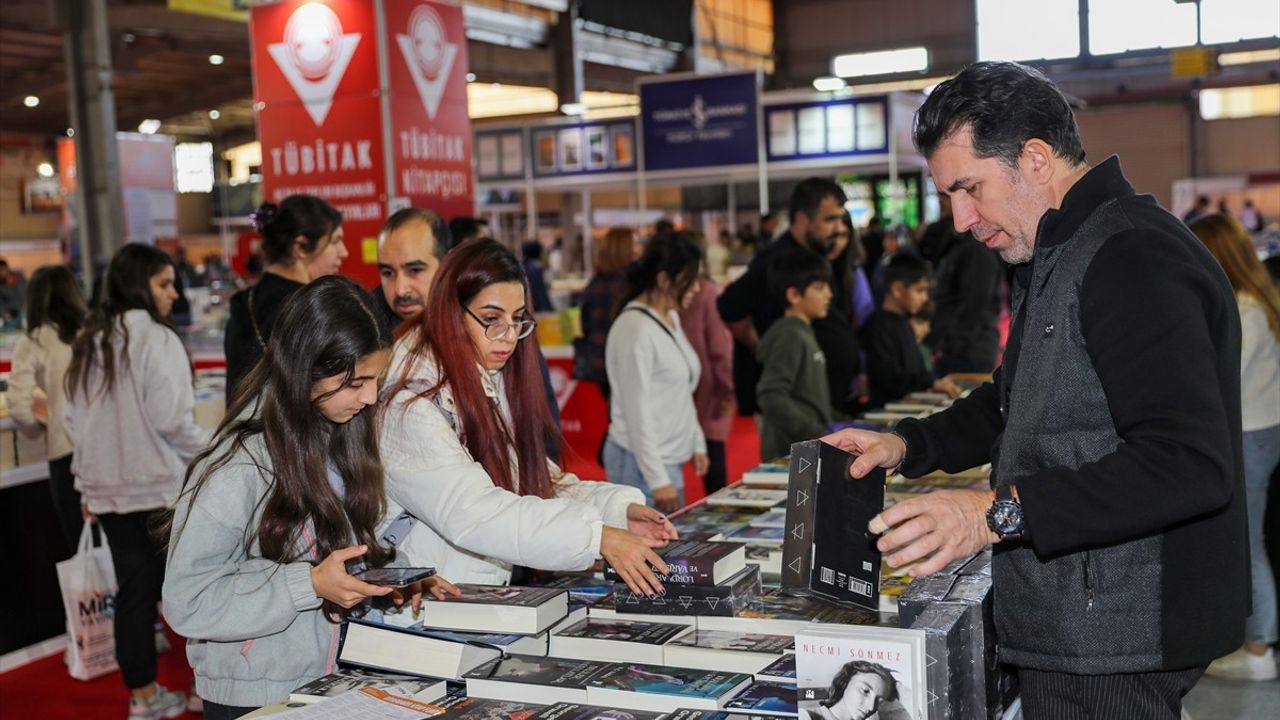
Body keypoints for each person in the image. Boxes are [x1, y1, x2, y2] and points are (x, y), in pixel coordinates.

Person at [827, 61, 1245, 719]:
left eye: (971, 188)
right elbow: (1014, 400)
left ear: (1037, 159)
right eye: (948, 197)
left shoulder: (1130, 258)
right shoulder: (1061, 249)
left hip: (1115, 637)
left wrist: (992, 512)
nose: (961, 219)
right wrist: (907, 445)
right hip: (1081, 621)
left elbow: (1188, 464)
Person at [163, 277, 457, 718]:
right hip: (251, 696)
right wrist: (309, 584)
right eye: (356, 382)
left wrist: (394, 574)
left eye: (374, 379)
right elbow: (188, 600)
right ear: (307, 368)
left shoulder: (336, 436)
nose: (371, 396)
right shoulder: (238, 465)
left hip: (327, 681)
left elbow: (334, 553)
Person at [379, 238, 678, 598]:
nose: (509, 336)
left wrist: (614, 512)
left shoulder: (481, 374)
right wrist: (596, 536)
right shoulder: (411, 401)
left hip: (467, 598)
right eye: (491, 319)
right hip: (424, 614)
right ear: (451, 313)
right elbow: (475, 512)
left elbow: (529, 477)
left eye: (518, 320)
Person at [65, 243, 211, 719]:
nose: (173, 293)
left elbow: (73, 420)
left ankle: (143, 697)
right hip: (158, 490)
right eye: (164, 283)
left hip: (109, 491)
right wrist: (216, 451)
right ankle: (205, 686)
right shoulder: (154, 339)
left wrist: (87, 485)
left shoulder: (90, 342)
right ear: (138, 286)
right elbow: (172, 420)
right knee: (192, 591)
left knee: (134, 593)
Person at [1189, 213, 1280, 681]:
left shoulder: (1243, 308)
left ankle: (1260, 649)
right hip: (1261, 433)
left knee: (1250, 543)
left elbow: (1222, 379)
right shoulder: (1259, 299)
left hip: (1250, 436)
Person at [717, 178, 851, 419]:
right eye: (830, 219)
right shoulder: (775, 260)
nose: (839, 228)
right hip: (796, 410)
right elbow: (729, 306)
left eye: (841, 219)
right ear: (802, 219)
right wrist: (764, 350)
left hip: (824, 401)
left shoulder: (817, 254)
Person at [604, 233, 709, 512]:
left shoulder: (670, 318)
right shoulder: (635, 330)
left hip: (664, 461)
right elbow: (636, 413)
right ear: (664, 280)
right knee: (647, 554)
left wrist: (696, 441)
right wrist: (658, 479)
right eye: (691, 279)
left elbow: (681, 390)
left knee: (669, 552)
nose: (697, 287)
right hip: (641, 466)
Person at [224, 195, 347, 398]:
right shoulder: (309, 309)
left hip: (245, 426)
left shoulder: (244, 302)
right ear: (300, 247)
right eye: (335, 242)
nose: (344, 252)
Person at [7, 265, 86, 554]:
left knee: (81, 548)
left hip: (64, 450)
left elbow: (18, 404)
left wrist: (37, 428)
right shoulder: (91, 332)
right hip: (104, 451)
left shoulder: (34, 341)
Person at [756, 249, 835, 462]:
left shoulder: (801, 331)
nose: (828, 294)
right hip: (790, 451)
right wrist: (814, 431)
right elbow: (770, 394)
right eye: (819, 288)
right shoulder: (790, 335)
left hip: (803, 448)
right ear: (794, 295)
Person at [917, 193, 1004, 376]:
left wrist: (950, 345)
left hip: (967, 352)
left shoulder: (976, 250)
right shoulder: (956, 245)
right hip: (957, 350)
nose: (941, 202)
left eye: (945, 196)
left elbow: (975, 306)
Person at [859, 254, 962, 408]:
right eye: (920, 291)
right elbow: (887, 377)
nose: (925, 298)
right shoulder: (879, 325)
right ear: (898, 289)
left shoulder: (904, 323)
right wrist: (930, 382)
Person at [678, 231, 735, 494]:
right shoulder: (706, 291)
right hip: (707, 385)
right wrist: (727, 387)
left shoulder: (666, 295)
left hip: (680, 384)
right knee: (713, 455)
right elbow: (719, 347)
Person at [576, 227, 639, 400]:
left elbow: (585, 324)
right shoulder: (630, 287)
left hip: (598, 363)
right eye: (634, 245)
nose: (638, 250)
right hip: (625, 364)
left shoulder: (594, 284)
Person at [372, 207, 448, 335]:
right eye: (388, 273)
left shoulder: (476, 323)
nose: (400, 290)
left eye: (415, 270)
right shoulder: (366, 333)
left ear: (447, 265)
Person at [803, 660, 904, 720]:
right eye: (865, 691)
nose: (871, 707)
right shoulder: (807, 716)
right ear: (845, 682)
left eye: (879, 701)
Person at [522, 240, 555, 313]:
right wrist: (548, 309)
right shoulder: (534, 267)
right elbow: (539, 291)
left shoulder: (523, 265)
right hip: (536, 308)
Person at [0, 258, 27, 326]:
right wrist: (5, 313)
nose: (2, 272)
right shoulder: (1, 284)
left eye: (3, 269)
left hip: (25, 309)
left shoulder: (18, 277)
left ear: (7, 268)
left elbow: (25, 292)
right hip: (12, 313)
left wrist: (13, 282)